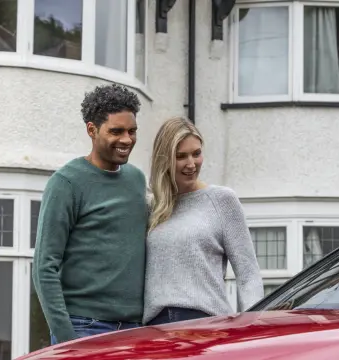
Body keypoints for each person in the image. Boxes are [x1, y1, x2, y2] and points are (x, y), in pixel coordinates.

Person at [33, 84, 148, 344]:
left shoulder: (137, 180)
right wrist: (66, 339)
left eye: (132, 131)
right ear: (92, 130)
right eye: (116, 131)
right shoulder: (66, 183)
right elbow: (44, 267)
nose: (127, 139)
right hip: (84, 327)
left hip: (135, 331)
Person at [143, 116, 264, 325]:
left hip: (205, 325)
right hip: (155, 329)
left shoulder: (222, 200)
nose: (191, 164)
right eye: (181, 156)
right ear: (165, 159)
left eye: (196, 154)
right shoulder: (152, 207)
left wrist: (251, 326)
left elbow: (248, 275)